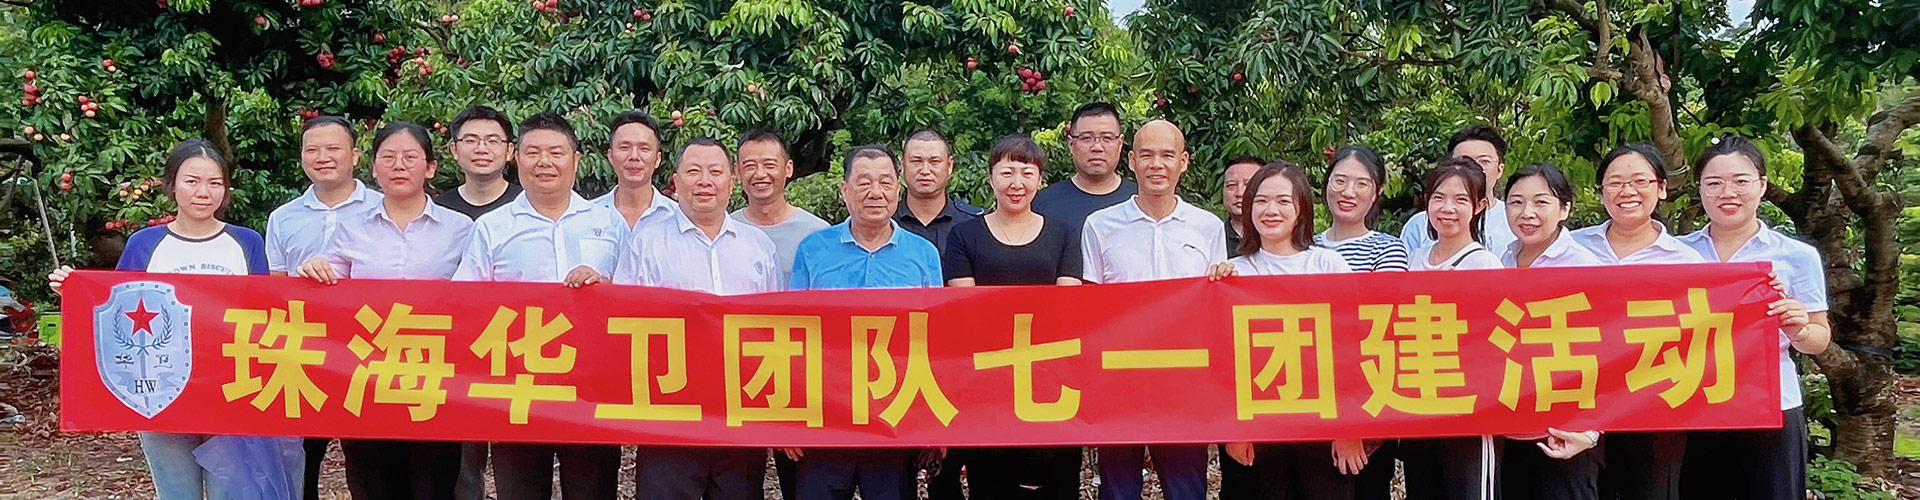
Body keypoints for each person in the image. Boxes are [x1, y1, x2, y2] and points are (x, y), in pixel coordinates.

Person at [49, 139, 288, 500]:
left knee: (231, 493)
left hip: (230, 391)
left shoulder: (247, 242)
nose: (203, 192)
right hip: (161, 391)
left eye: (215, 183)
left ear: (226, 189)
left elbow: (266, 314)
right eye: (192, 181)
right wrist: (73, 290)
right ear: (172, 185)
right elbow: (114, 310)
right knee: (176, 493)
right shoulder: (144, 243)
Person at [290, 122, 474, 500]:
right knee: (373, 486)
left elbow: (480, 297)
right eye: (388, 158)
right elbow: (327, 290)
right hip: (366, 382)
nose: (398, 166)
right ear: (373, 168)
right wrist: (314, 269)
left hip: (435, 383)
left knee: (434, 488)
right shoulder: (350, 229)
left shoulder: (461, 229)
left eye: (410, 158)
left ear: (431, 168)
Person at [452, 112, 621, 500]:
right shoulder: (493, 227)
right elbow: (465, 304)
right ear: (516, 158)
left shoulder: (609, 223)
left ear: (576, 160)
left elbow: (636, 296)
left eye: (556, 152)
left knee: (593, 490)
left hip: (591, 390)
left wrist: (606, 290)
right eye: (533, 152)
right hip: (517, 391)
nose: (544, 162)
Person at [613, 138, 780, 500]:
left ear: (732, 181)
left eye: (715, 172)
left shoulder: (758, 246)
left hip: (740, 415)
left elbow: (774, 331)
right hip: (670, 417)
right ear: (675, 181)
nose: (705, 181)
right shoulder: (646, 243)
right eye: (693, 171)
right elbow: (626, 325)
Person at [1676, 134, 1830, 500]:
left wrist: (1798, 329)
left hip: (1771, 406)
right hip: (1690, 402)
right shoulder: (1674, 255)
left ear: (1762, 186)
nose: (1727, 192)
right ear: (1700, 189)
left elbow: (1820, 338)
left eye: (1740, 181)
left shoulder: (1796, 256)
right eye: (1714, 183)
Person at [788, 145, 941, 500]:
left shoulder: (923, 255)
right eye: (864, 182)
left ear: (898, 189)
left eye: (885, 182)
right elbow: (794, 335)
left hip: (893, 415)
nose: (876, 192)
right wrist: (791, 417)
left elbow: (935, 340)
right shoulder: (813, 249)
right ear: (844, 189)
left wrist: (931, 423)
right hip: (826, 414)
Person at [1080, 119, 1222, 500]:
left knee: (1186, 488)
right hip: (1118, 379)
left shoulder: (1207, 227)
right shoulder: (1099, 225)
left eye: (1167, 155)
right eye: (1147, 155)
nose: (1157, 164)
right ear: (1131, 161)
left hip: (1184, 380)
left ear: (1183, 162)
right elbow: (1090, 306)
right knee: (1118, 489)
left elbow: (1216, 307)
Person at [940, 134, 1084, 500]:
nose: (1016, 183)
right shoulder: (964, 236)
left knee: (1057, 483)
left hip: (1051, 379)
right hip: (986, 380)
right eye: (1007, 172)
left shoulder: (1064, 234)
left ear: (1040, 180)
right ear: (991, 177)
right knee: (991, 483)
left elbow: (1067, 305)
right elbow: (965, 308)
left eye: (1027, 173)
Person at [1208, 161, 1359, 500]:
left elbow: (1350, 348)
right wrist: (1234, 431)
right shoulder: (1232, 273)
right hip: (1258, 428)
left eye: (1283, 201)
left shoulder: (1328, 266)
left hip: (1322, 425)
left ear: (1301, 208)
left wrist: (1349, 428)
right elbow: (1223, 361)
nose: (1271, 210)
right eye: (1261, 201)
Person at [1567, 144, 1701, 500]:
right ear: (1601, 192)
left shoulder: (1688, 261)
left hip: (1656, 408)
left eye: (1640, 181)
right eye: (1615, 183)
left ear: (1662, 189)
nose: (1627, 191)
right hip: (1580, 405)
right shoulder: (1570, 249)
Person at [267, 115, 383, 498]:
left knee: (369, 453)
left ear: (355, 155)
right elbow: (275, 287)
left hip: (369, 349)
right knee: (303, 452)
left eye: (333, 148)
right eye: (312, 149)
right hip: (304, 349)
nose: (323, 157)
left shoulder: (383, 208)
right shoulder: (283, 218)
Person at [1497, 164, 1604, 500]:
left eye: (1541, 202)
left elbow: (1610, 352)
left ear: (1565, 209)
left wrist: (1591, 433)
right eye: (1516, 202)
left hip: (1566, 433)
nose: (1527, 213)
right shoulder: (1502, 261)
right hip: (1509, 429)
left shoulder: (1584, 267)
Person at [1398, 158, 1501, 500]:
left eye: (1460, 199)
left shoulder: (1484, 265)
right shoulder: (1413, 259)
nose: (1447, 208)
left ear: (1479, 206)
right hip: (1419, 407)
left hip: (1468, 410)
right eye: (1439, 197)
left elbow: (1494, 342)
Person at [730, 129, 832, 285]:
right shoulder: (726, 230)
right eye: (750, 166)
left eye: (769, 165)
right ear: (737, 171)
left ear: (788, 168)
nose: (760, 174)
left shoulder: (817, 233)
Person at [1400, 125, 1515, 252]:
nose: (1473, 168)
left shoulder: (1514, 219)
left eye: (1484, 161)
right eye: (1464, 161)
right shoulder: (1418, 225)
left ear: (1499, 170)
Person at [1033, 102, 1137, 229]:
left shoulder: (1141, 200)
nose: (1097, 147)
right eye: (1087, 138)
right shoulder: (1043, 204)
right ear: (1071, 144)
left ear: (1120, 143)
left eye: (1107, 138)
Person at [1315, 146, 1410, 272]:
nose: (1348, 193)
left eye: (1362, 184)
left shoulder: (1386, 250)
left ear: (1377, 192)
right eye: (1340, 181)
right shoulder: (1305, 247)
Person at [897, 129, 984, 256]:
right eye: (916, 161)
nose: (925, 171)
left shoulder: (975, 224)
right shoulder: (884, 222)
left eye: (935, 162)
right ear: (903, 165)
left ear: (949, 166)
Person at [593, 111, 678, 237]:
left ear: (657, 159)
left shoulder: (678, 217)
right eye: (624, 147)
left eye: (644, 148)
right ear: (610, 156)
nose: (634, 156)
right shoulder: (590, 215)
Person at [435, 106, 522, 219]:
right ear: (454, 150)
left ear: (509, 151)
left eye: (492, 141)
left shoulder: (526, 204)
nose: (481, 149)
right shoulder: (439, 210)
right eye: (471, 140)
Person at [1220, 155, 1265, 258]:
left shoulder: (1281, 239)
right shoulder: (1212, 238)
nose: (1240, 193)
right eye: (1231, 185)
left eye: (1248, 185)